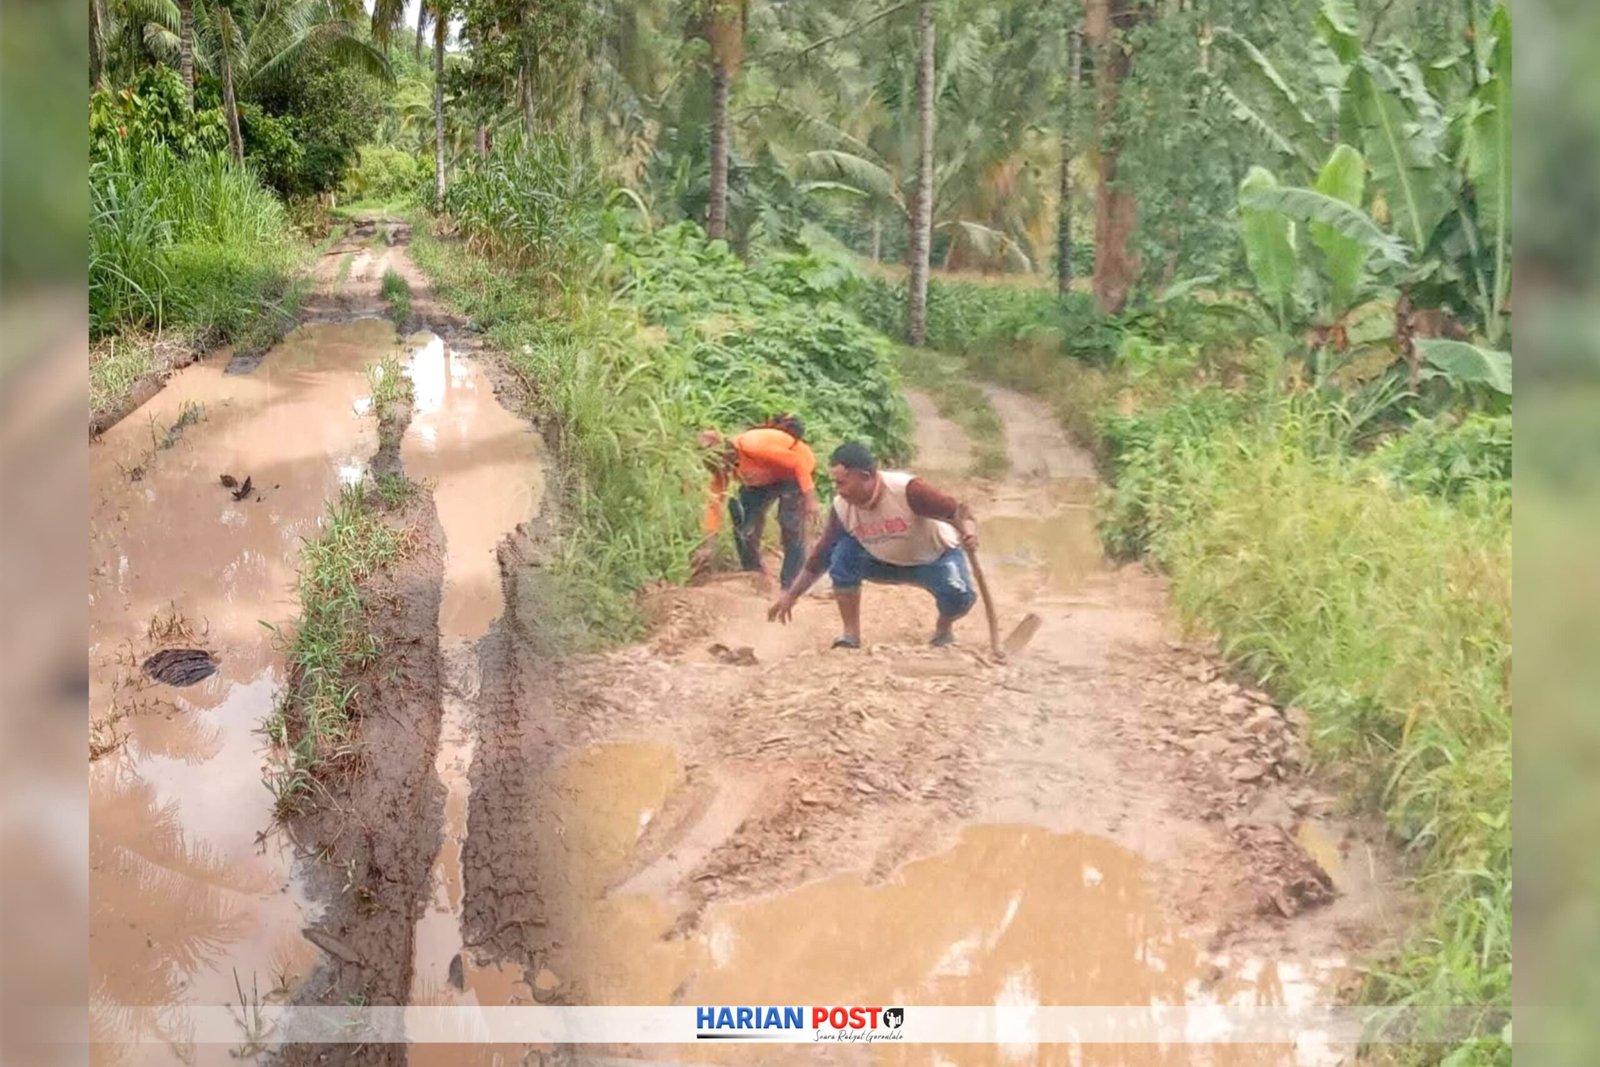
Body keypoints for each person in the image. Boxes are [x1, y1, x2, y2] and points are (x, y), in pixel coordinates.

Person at [768, 440, 979, 648]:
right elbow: (820, 556)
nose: (838, 490)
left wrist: (969, 532)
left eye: (842, 483)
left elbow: (958, 512)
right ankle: (850, 634)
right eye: (835, 483)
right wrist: (792, 595)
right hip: (882, 562)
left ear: (866, 477)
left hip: (933, 559)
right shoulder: (842, 508)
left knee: (959, 596)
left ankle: (943, 628)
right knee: (841, 554)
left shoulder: (907, 490)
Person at [694, 415, 821, 590]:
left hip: (795, 472)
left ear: (725, 450)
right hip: (764, 479)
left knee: (790, 522)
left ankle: (792, 582)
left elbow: (798, 463)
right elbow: (714, 506)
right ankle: (753, 573)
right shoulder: (722, 469)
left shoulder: (752, 446)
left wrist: (810, 499)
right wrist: (709, 545)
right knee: (741, 516)